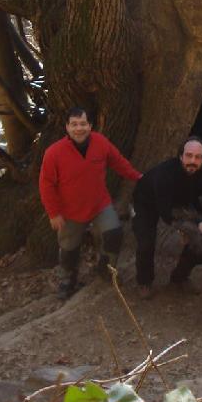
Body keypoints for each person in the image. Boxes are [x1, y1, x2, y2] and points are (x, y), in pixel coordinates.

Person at [39, 107, 142, 300]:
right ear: (67, 127)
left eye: (83, 124)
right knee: (69, 248)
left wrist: (138, 177)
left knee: (114, 233)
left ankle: (106, 268)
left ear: (91, 125)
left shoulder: (100, 143)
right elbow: (46, 185)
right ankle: (68, 280)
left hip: (99, 204)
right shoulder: (54, 153)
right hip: (70, 211)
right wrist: (53, 213)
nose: (79, 128)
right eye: (74, 124)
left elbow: (118, 162)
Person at [132, 136, 202, 299]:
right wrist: (187, 227)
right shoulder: (165, 174)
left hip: (181, 202)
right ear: (180, 156)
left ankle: (180, 277)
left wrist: (199, 225)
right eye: (188, 155)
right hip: (147, 202)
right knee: (146, 242)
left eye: (198, 157)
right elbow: (166, 213)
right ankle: (144, 281)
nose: (192, 160)